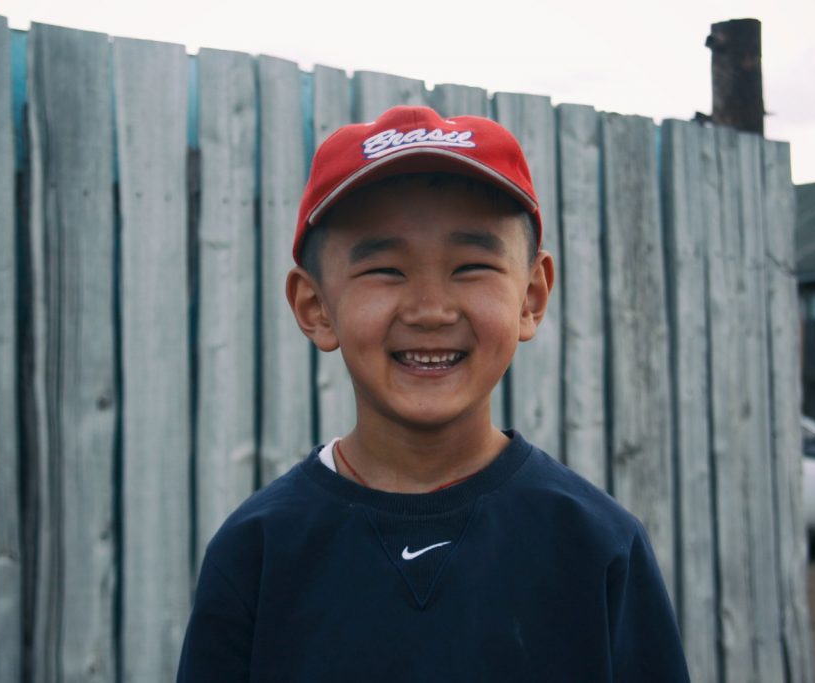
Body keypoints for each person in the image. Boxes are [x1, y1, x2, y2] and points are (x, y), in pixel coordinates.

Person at [176, 105, 690, 682]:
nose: (430, 310)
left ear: (532, 297)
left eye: (471, 266)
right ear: (315, 307)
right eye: (385, 271)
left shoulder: (598, 547)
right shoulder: (257, 552)